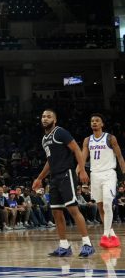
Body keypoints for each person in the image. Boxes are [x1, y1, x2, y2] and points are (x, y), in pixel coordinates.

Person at [32, 109, 94, 257]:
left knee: (73, 209)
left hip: (66, 174)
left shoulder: (60, 132)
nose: (45, 118)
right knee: (56, 212)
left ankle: (87, 244)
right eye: (43, 116)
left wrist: (83, 170)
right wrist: (39, 178)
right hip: (54, 178)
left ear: (55, 120)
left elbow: (77, 149)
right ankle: (64, 246)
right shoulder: (44, 139)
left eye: (48, 116)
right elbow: (50, 161)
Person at [81, 113, 125, 248]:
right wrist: (80, 170)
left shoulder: (110, 138)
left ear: (102, 124)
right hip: (95, 175)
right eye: (92, 121)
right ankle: (111, 232)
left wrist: (123, 175)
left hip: (109, 174)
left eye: (97, 121)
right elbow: (83, 157)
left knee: (107, 203)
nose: (94, 122)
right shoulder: (87, 140)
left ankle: (105, 235)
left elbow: (120, 158)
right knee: (100, 206)